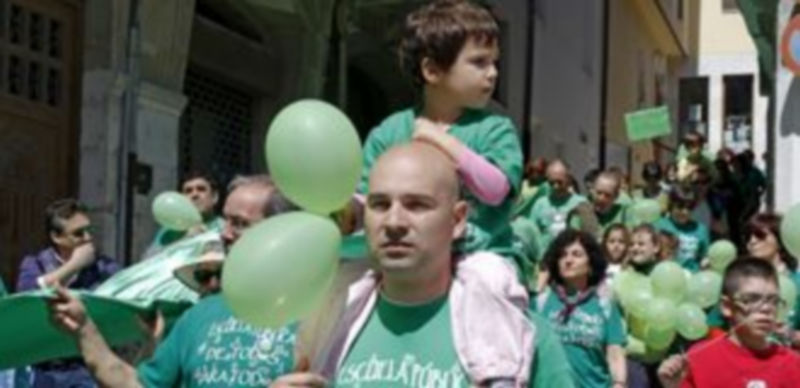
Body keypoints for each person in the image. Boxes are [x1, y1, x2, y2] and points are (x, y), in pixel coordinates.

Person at [274, 143, 574, 387]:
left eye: (417, 205)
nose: (393, 222)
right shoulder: (325, 323)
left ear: (457, 220)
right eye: (379, 205)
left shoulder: (521, 336)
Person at [48, 176, 300, 388]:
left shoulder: (321, 310)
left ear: (279, 232)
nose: (225, 233)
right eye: (226, 220)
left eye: (240, 224)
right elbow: (135, 383)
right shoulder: (199, 315)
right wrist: (85, 329)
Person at [356, 0, 523, 260]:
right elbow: (364, 197)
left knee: (490, 282)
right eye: (479, 62)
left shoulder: (495, 128)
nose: (492, 73)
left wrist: (442, 142)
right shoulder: (389, 133)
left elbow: (496, 191)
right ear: (432, 70)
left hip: (477, 255)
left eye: (494, 63)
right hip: (404, 258)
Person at [16, 198, 120, 387]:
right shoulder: (35, 264)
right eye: (78, 233)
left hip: (89, 367)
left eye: (90, 230)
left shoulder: (104, 267)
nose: (88, 238)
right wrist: (74, 265)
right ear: (56, 237)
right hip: (48, 369)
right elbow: (27, 297)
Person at [657, 258, 800, 387]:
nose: (766, 308)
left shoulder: (792, 363)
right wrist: (672, 386)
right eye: (752, 299)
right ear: (726, 306)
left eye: (773, 300)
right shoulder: (698, 359)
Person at [533, 230, 627, 388]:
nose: (568, 260)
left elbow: (615, 352)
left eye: (576, 255)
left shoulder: (605, 304)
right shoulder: (540, 302)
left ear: (590, 264)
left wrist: (619, 384)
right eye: (563, 255)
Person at [144, 171, 224, 257]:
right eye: (188, 191)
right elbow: (149, 260)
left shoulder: (225, 228)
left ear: (214, 197)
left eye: (201, 189)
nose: (194, 194)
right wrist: (184, 242)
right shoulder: (169, 230)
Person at [528, 160, 588, 254]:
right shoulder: (540, 204)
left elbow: (589, 234)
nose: (555, 186)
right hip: (545, 258)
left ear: (568, 179)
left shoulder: (581, 203)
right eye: (551, 183)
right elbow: (531, 234)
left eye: (560, 182)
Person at [654, 186, 710, 272]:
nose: (685, 212)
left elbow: (704, 257)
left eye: (689, 208)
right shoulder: (659, 225)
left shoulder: (700, 229)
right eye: (680, 206)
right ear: (671, 205)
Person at [571, 170, 631, 239]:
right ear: (593, 191)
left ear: (616, 196)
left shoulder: (623, 213)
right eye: (599, 193)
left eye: (607, 195)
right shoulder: (581, 213)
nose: (601, 199)